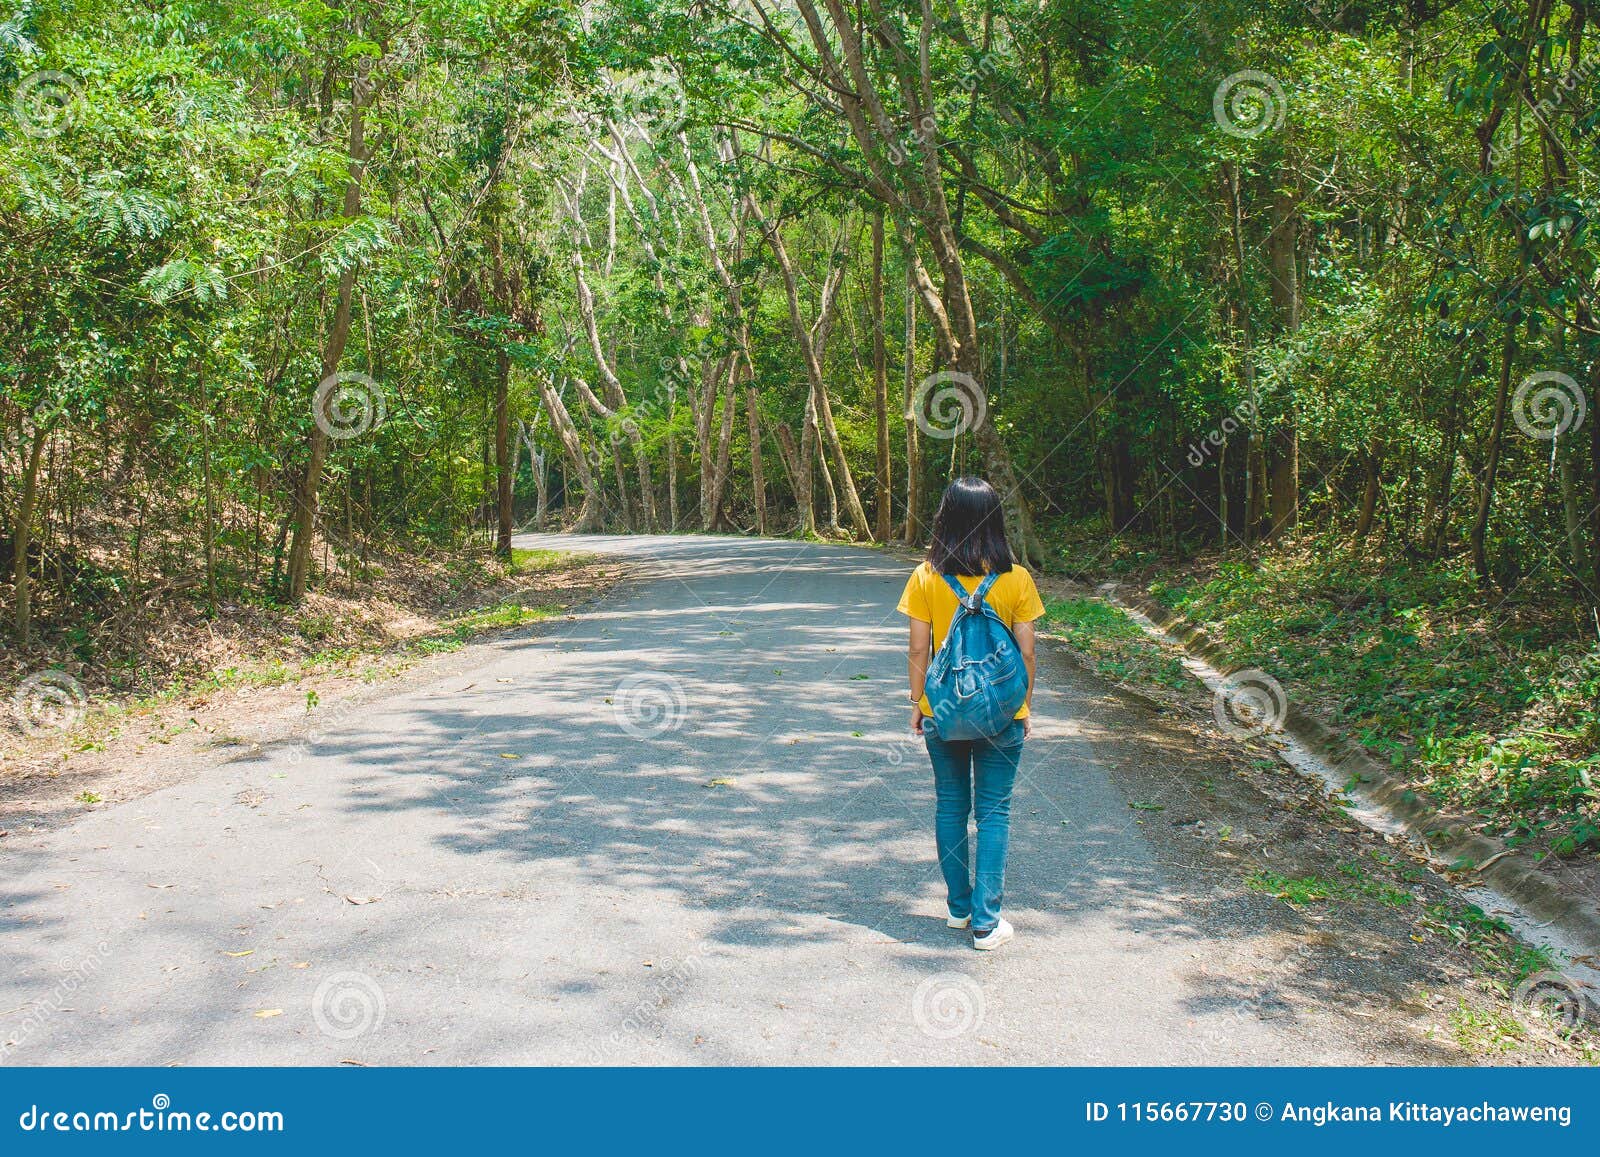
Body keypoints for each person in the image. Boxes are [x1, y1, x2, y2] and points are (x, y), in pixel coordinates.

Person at [896, 477, 1044, 950]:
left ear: (944, 518)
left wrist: (919, 702)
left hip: (944, 709)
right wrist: (1023, 704)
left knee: (951, 806)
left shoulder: (925, 575)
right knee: (995, 812)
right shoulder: (1016, 578)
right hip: (1003, 712)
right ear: (995, 520)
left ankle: (959, 909)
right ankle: (987, 922)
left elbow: (919, 647)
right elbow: (1027, 653)